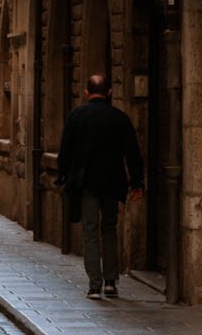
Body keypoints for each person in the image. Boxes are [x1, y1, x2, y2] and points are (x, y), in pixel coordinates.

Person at [56, 73, 144, 298]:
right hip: (112, 183)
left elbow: (65, 150)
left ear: (86, 93)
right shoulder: (119, 118)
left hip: (86, 184)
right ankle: (111, 282)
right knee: (109, 229)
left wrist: (62, 176)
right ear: (110, 93)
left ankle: (94, 284)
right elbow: (132, 153)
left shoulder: (76, 116)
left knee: (90, 231)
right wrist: (136, 182)